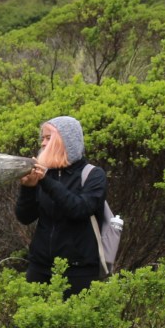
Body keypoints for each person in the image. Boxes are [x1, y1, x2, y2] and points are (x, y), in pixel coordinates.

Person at [15, 115, 108, 296]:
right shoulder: (45, 174)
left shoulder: (93, 175)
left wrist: (46, 183)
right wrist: (28, 188)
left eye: (48, 138)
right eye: (42, 138)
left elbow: (79, 209)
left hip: (79, 269)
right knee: (26, 323)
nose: (42, 143)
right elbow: (25, 217)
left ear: (66, 140)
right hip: (40, 267)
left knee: (75, 324)